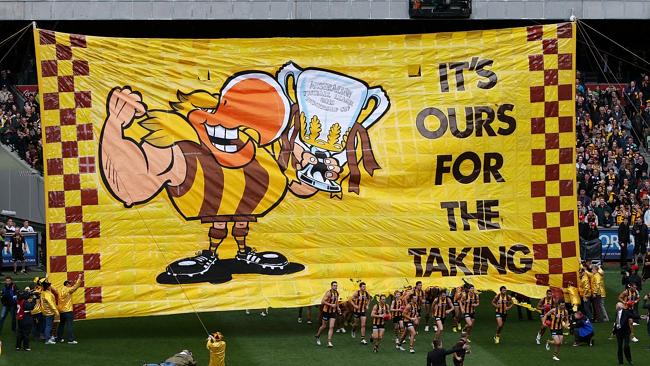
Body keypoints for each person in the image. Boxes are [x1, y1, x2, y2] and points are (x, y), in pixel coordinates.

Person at [56, 275, 82, 344]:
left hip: (61, 310)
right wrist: (79, 278)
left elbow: (53, 289)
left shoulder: (59, 290)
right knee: (69, 325)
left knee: (61, 324)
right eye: (70, 283)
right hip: (68, 310)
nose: (71, 284)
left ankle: (59, 337)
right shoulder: (68, 289)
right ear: (67, 284)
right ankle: (71, 339)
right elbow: (75, 287)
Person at [315, 281, 340, 348]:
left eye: (336, 285)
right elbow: (322, 301)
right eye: (334, 285)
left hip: (333, 312)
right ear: (331, 286)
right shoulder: (328, 293)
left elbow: (336, 301)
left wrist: (338, 308)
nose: (335, 287)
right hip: (326, 312)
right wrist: (330, 305)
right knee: (324, 326)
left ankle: (329, 342)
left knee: (331, 327)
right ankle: (318, 335)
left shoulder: (337, 293)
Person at [40, 280, 59, 344]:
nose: (50, 286)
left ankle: (48, 337)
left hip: (45, 312)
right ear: (47, 287)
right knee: (48, 326)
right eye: (49, 285)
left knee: (47, 325)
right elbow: (51, 304)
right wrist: (56, 312)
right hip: (49, 312)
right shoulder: (48, 294)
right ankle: (47, 339)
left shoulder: (43, 292)